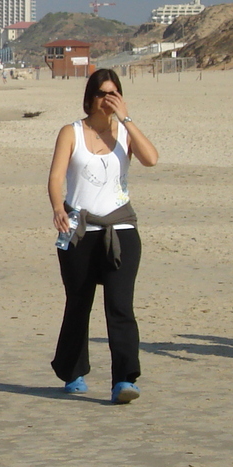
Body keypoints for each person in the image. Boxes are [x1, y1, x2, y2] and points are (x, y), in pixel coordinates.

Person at [47, 68, 160, 404]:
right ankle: (73, 371)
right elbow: (55, 177)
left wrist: (127, 119)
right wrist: (57, 208)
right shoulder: (71, 132)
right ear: (90, 97)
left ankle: (124, 380)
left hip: (120, 230)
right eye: (102, 94)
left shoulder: (125, 132)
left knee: (120, 305)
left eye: (114, 94)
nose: (107, 100)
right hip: (79, 230)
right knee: (78, 303)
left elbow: (151, 159)